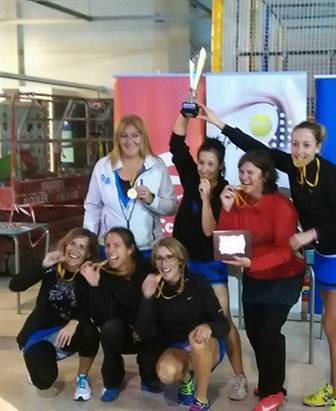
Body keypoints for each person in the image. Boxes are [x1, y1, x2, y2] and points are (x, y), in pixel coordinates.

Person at [197, 105, 336, 410]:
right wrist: (218, 123)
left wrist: (310, 234)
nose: (299, 150)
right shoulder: (292, 166)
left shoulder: (330, 177)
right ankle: (300, 385)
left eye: (306, 145)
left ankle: (328, 395)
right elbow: (254, 148)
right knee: (267, 329)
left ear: (318, 147)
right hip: (317, 254)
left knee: (329, 327)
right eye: (295, 143)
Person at [216, 150, 306, 411]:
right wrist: (226, 208)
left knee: (268, 331)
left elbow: (285, 251)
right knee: (254, 332)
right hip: (254, 275)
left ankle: (274, 391)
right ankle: (269, 380)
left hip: (284, 275)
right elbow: (227, 239)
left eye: (250, 173)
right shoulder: (238, 200)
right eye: (241, 172)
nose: (244, 177)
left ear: (265, 176)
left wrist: (252, 263)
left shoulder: (281, 205)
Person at [169, 113, 249, 401]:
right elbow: (177, 144)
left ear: (220, 166)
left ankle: (239, 376)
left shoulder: (227, 192)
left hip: (211, 265)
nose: (204, 168)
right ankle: (188, 374)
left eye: (210, 164)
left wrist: (205, 198)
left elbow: (209, 231)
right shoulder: (191, 177)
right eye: (201, 162)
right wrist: (184, 115)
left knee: (223, 319)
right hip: (183, 264)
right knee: (183, 318)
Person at [136, 237, 229, 411]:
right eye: (159, 258)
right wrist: (147, 298)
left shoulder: (198, 282)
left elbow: (223, 324)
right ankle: (187, 377)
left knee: (196, 339)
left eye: (169, 257)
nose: (164, 263)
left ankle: (201, 400)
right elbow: (143, 332)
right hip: (178, 346)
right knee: (165, 373)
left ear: (180, 260)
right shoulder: (156, 287)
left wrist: (208, 327)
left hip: (207, 344)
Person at [11, 228, 101, 401]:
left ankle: (82, 378)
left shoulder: (89, 273)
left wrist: (76, 320)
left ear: (88, 254)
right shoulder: (52, 267)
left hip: (67, 335)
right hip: (40, 333)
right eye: (73, 243)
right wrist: (43, 265)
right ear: (65, 245)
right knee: (43, 381)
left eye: (82, 247)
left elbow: (97, 314)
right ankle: (37, 361)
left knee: (90, 331)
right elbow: (15, 285)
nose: (75, 250)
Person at [80, 227, 162, 402]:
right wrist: (94, 286)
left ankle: (148, 375)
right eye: (107, 245)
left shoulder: (148, 268)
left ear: (130, 249)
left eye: (116, 245)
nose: (110, 251)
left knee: (152, 366)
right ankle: (113, 382)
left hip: (148, 330)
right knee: (110, 329)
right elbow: (101, 320)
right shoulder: (102, 273)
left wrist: (148, 296)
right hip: (121, 333)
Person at [84, 115, 176, 257]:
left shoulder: (157, 166)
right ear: (117, 139)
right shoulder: (103, 166)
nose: (129, 141)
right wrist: (88, 242)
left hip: (146, 248)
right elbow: (92, 207)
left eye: (135, 135)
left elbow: (171, 207)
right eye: (124, 136)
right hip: (110, 248)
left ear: (143, 137)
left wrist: (151, 200)